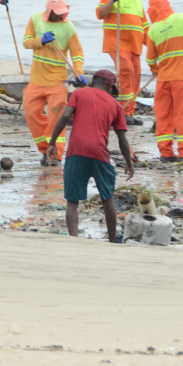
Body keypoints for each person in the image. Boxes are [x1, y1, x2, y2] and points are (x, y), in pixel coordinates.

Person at [47, 69, 134, 243]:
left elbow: (65, 116)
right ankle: (111, 242)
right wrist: (128, 163)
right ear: (110, 87)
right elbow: (122, 140)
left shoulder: (79, 94)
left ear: (94, 83)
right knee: (107, 198)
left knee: (73, 200)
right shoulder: (115, 105)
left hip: (76, 150)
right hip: (99, 153)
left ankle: (74, 241)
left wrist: (52, 143)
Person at [21, 0, 85, 167]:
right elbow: (26, 42)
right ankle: (45, 149)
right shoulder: (36, 20)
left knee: (57, 118)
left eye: (61, 12)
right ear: (48, 9)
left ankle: (55, 154)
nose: (59, 15)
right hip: (36, 80)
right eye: (56, 12)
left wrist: (78, 71)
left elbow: (77, 53)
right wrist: (40, 40)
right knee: (31, 112)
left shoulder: (68, 27)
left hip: (58, 82)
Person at [145, 0, 183, 161]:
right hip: (181, 77)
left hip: (163, 80)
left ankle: (165, 153)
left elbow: (150, 60)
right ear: (167, 5)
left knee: (163, 115)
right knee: (182, 114)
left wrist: (156, 69)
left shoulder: (153, 30)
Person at [96, 0, 150, 125]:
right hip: (117, 43)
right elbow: (100, 14)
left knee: (135, 76)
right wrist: (113, 0)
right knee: (126, 71)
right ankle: (123, 112)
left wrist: (154, 48)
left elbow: (145, 26)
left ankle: (129, 112)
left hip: (135, 45)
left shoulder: (138, 0)